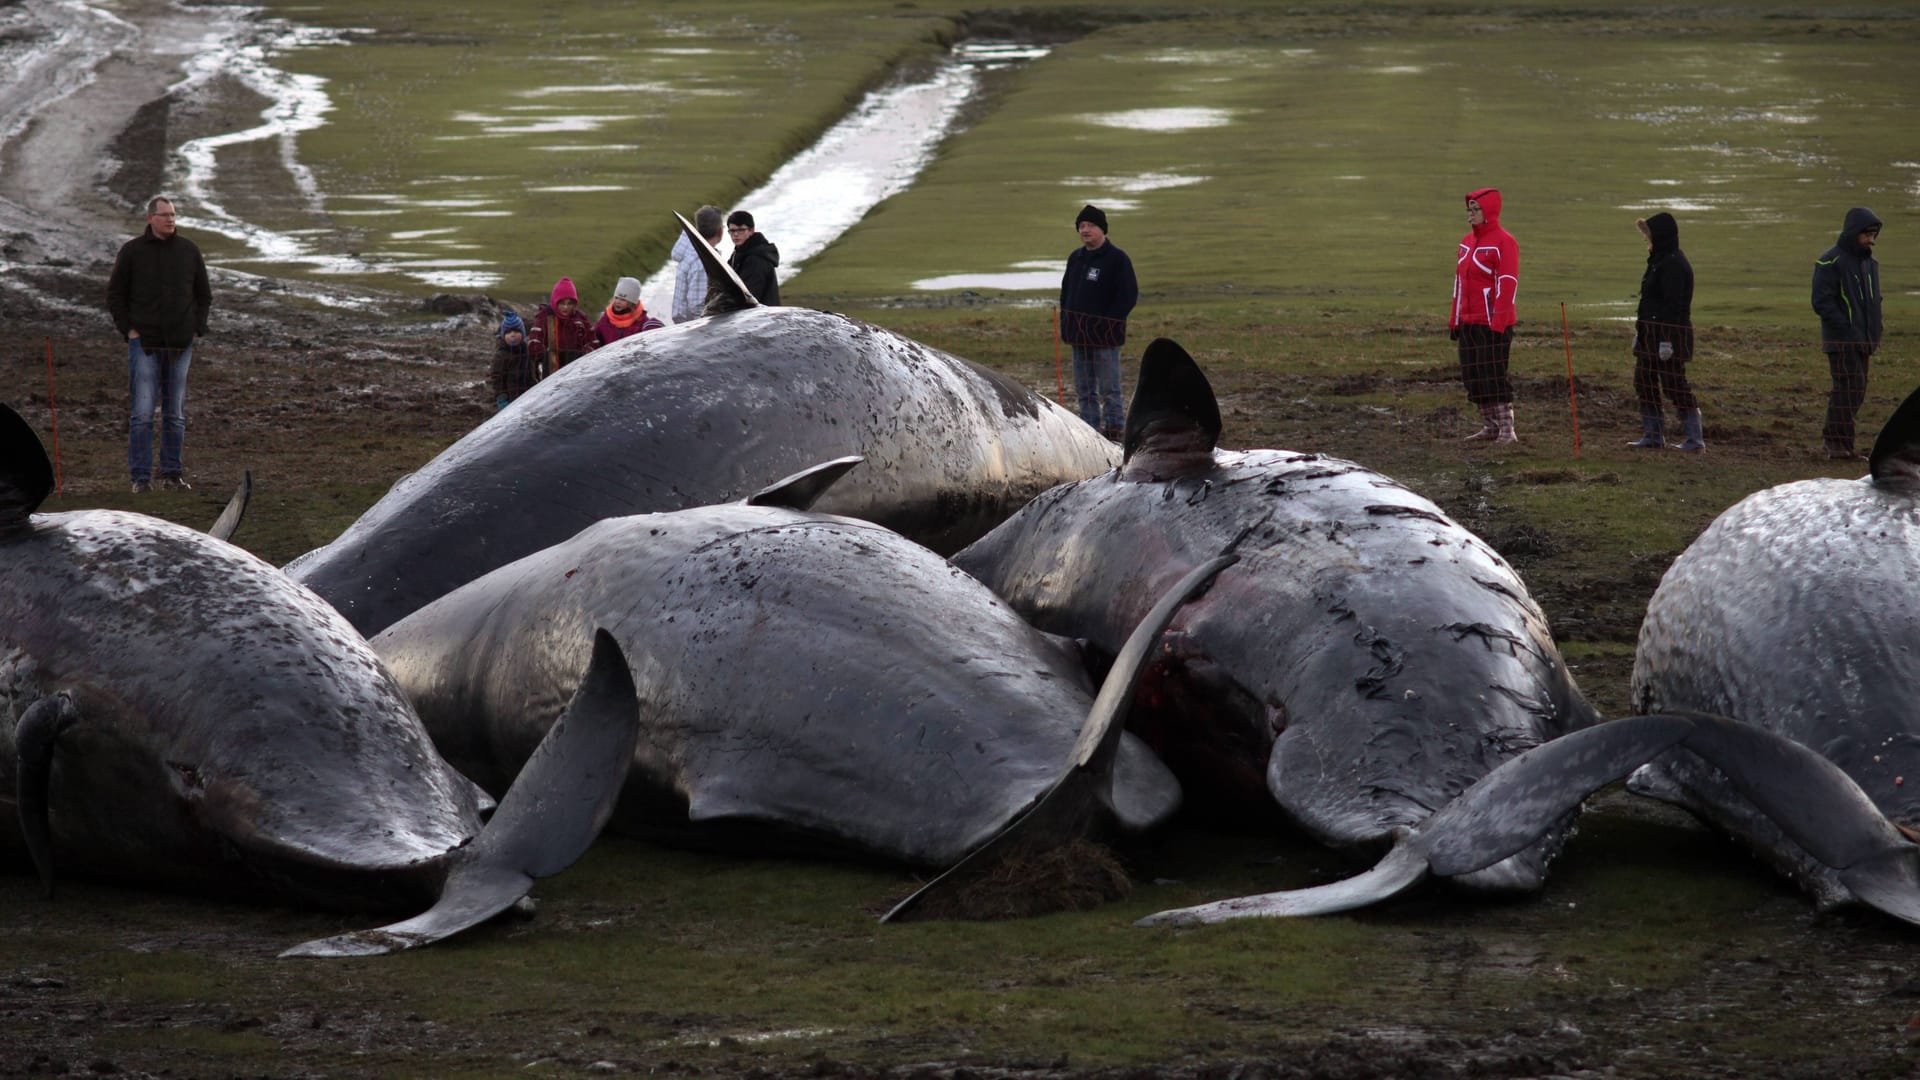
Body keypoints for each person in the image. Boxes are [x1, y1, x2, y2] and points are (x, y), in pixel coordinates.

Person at [107, 195, 211, 492]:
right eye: (165, 215)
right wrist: (129, 330)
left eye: (173, 215)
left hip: (180, 345)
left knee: (174, 413)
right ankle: (140, 478)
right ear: (150, 218)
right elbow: (115, 295)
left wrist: (196, 329)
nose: (171, 220)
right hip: (145, 345)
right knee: (141, 413)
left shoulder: (189, 251)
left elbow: (204, 295)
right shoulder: (132, 252)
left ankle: (172, 474)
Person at [1058, 203, 1138, 440]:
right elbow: (1066, 293)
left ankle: (1114, 431)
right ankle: (1089, 431)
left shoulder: (1117, 259)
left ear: (1102, 229)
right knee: (1084, 389)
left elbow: (1128, 296)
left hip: (1105, 338)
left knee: (1109, 389)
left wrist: (1106, 324)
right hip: (1078, 336)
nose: (1085, 230)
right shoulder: (1076, 258)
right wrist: (1067, 323)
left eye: (1090, 225)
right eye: (1081, 226)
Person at [1812, 207, 1884, 460]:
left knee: (1857, 390)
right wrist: (1846, 329)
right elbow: (1821, 302)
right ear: (1855, 232)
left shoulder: (1869, 264)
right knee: (1848, 388)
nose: (1871, 240)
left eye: (1874, 235)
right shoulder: (1830, 261)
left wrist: (1874, 331)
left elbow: (1874, 301)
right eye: (1867, 235)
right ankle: (1836, 445)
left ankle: (1844, 445)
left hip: (1864, 340)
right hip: (1842, 341)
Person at [1450, 188, 1520, 445]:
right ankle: (1489, 426)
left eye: (1476, 209)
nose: (1471, 215)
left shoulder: (1505, 242)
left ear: (1489, 211)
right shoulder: (1466, 242)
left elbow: (1508, 282)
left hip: (1492, 323)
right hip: (1469, 321)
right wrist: (1455, 318)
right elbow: (1459, 282)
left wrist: (1499, 320)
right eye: (1469, 210)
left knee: (1492, 374)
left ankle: (1506, 429)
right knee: (1473, 376)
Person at [1628, 212, 1701, 451]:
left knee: (1674, 384)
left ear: (1661, 236)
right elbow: (1649, 303)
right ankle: (1653, 434)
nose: (1646, 239)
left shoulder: (1674, 265)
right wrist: (1641, 332)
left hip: (1670, 337)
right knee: (1644, 380)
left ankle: (1694, 438)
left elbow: (1674, 307)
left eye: (1648, 234)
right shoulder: (1658, 261)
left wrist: (1667, 342)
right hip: (1650, 336)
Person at [527, 276, 599, 373]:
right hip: (551, 373)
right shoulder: (544, 317)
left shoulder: (581, 319)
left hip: (576, 370)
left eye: (570, 303)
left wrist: (583, 354)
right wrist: (548, 355)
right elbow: (534, 346)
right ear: (555, 302)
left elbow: (593, 343)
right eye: (562, 303)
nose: (566, 307)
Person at [671, 205, 725, 322]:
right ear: (720, 231)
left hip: (684, 325)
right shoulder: (703, 260)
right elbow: (698, 305)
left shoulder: (690, 252)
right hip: (696, 329)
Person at [726, 211, 780, 305]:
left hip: (761, 317)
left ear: (751, 231)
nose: (736, 234)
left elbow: (749, 297)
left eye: (741, 230)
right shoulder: (739, 252)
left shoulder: (756, 259)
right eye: (732, 231)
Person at [490, 310, 538, 411]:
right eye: (508, 332)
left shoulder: (527, 351)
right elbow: (497, 377)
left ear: (523, 333)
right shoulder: (502, 355)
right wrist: (501, 397)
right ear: (503, 335)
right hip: (510, 397)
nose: (512, 335)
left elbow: (532, 372)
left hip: (527, 394)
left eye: (516, 331)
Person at [595, 276, 663, 344]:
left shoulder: (641, 322)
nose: (618, 301)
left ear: (632, 303)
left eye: (623, 299)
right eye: (616, 297)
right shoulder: (606, 318)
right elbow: (596, 339)